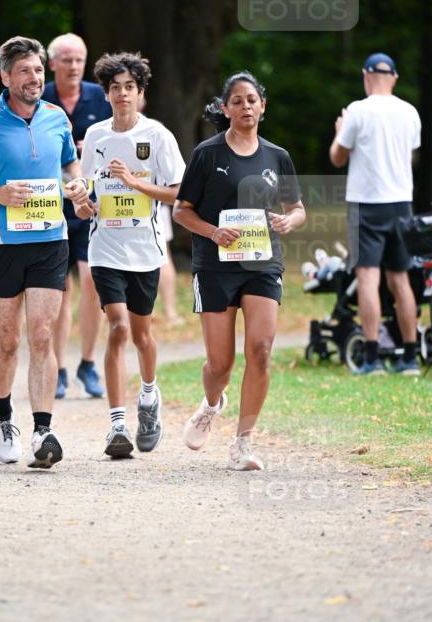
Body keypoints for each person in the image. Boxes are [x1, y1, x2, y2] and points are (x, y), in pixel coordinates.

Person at [0, 36, 91, 470]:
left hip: (51, 237)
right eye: (25, 71)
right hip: (3, 242)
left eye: (38, 70)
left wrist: (78, 184)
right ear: (6, 76)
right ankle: (2, 414)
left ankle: (43, 429)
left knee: (42, 335)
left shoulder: (56, 118)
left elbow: (70, 163)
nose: (35, 78)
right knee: (9, 340)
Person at [173, 71, 305, 471]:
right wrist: (214, 232)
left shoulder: (277, 156)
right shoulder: (207, 154)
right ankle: (212, 403)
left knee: (261, 351)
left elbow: (296, 208)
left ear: (262, 107)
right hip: (215, 267)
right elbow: (181, 210)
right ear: (226, 109)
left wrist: (289, 222)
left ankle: (242, 444)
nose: (246, 106)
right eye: (238, 101)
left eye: (252, 100)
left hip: (262, 264)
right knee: (220, 364)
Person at [81, 51, 186, 458]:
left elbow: (178, 193)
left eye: (130, 88)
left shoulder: (157, 136)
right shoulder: (95, 137)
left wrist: (135, 183)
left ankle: (148, 397)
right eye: (115, 88)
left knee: (143, 335)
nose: (122, 94)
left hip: (145, 252)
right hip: (105, 248)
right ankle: (117, 425)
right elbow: (87, 189)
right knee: (119, 329)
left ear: (140, 93)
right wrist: (82, 203)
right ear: (106, 94)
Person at [330, 52, 422, 375]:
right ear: (394, 77)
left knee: (367, 277)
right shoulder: (410, 113)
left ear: (366, 75)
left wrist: (341, 131)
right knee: (401, 279)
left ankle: (371, 358)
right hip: (401, 203)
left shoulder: (357, 111)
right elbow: (409, 157)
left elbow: (337, 158)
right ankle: (410, 357)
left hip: (366, 203)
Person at [44, 33, 111, 399]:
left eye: (79, 60)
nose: (73, 66)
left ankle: (87, 363)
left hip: (92, 203)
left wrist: (89, 149)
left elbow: (120, 140)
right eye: (66, 60)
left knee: (92, 280)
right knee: (59, 289)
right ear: (52, 63)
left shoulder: (99, 97)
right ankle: (58, 368)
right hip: (51, 203)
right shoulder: (39, 96)